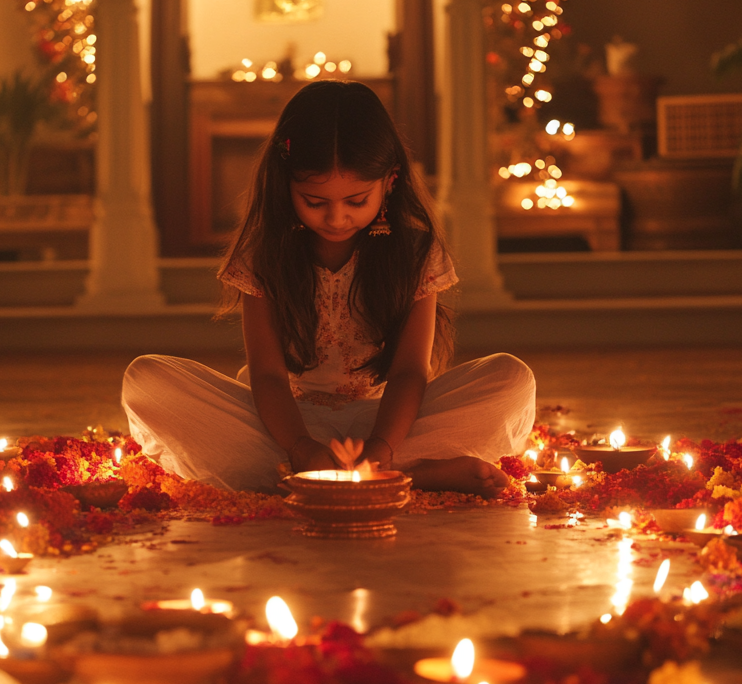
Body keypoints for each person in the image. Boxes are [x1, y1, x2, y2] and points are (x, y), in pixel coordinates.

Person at [122, 81, 535, 496]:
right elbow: (266, 375)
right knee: (146, 379)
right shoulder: (264, 253)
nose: (336, 218)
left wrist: (381, 446)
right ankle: (405, 475)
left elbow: (410, 372)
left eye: (356, 201)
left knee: (511, 379)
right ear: (286, 185)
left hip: (388, 422)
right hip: (286, 424)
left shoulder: (414, 252)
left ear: (390, 182)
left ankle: (331, 475)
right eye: (315, 202)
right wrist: (300, 446)